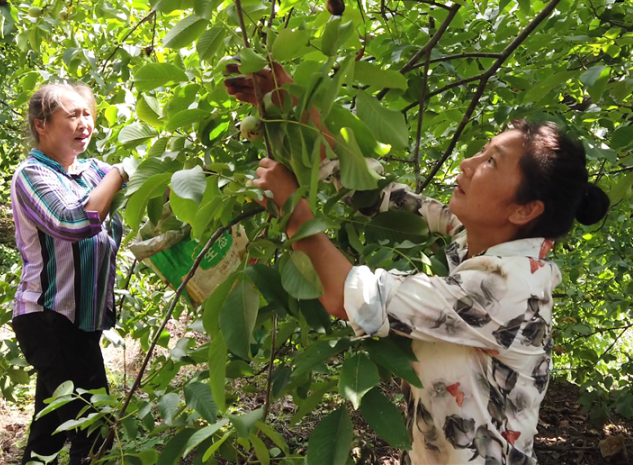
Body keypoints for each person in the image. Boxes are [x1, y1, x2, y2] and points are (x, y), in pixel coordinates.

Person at [226, 64, 610, 465]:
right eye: (482, 151)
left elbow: (351, 296)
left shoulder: (508, 285)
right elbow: (377, 197)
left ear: (525, 209)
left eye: (492, 162)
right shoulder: (482, 241)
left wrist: (296, 216)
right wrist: (295, 107)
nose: (467, 163)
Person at [10, 82, 127, 465]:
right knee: (93, 429)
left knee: (49, 433)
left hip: (82, 321)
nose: (84, 123)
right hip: (49, 318)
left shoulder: (95, 172)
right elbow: (72, 221)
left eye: (87, 113)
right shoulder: (31, 175)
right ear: (40, 124)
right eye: (72, 115)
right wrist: (123, 173)